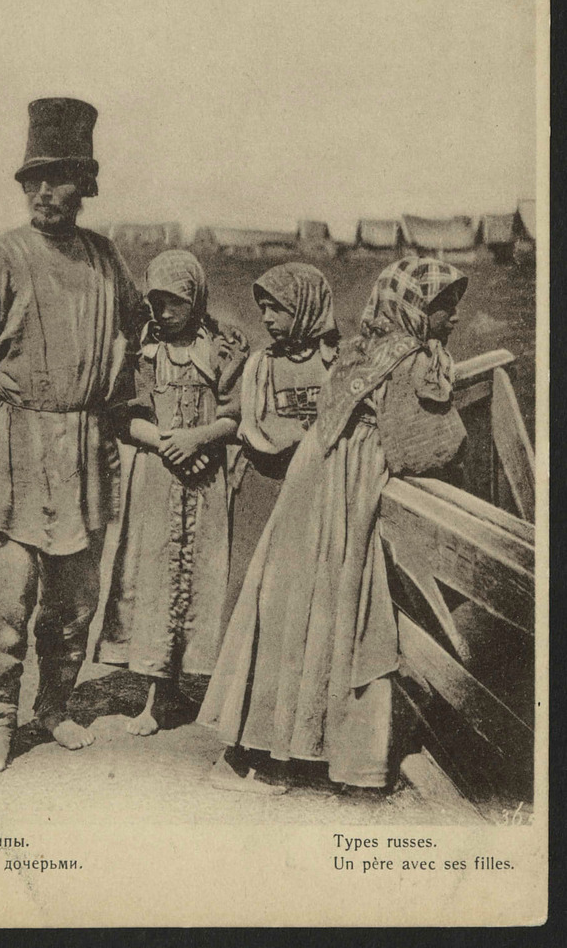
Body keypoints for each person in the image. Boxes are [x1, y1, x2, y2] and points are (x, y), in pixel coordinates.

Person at [198, 256, 468, 794]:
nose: (454, 317)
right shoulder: (410, 359)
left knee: (294, 605)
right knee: (340, 607)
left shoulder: (367, 346)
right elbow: (421, 446)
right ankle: (280, 755)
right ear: (414, 310)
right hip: (345, 484)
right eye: (444, 307)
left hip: (316, 475)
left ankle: (271, 748)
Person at [0, 97, 142, 772]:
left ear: (84, 185)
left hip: (87, 445)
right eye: (33, 179)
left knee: (75, 599)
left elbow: (144, 324)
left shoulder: (105, 258)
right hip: (19, 447)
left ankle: (53, 705)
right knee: (9, 595)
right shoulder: (1, 257)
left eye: (58, 178)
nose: (43, 191)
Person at [97, 250, 249, 735]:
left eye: (174, 302)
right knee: (154, 576)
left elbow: (234, 416)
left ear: (196, 299)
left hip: (204, 481)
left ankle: (175, 688)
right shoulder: (144, 350)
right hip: (156, 478)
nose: (162, 312)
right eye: (155, 302)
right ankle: (151, 696)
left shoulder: (222, 349)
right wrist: (169, 444)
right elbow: (125, 417)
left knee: (198, 578)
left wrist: (198, 440)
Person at [228, 263, 339, 615]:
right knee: (252, 576)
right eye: (263, 309)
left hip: (317, 485)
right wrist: (307, 434)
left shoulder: (336, 362)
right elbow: (257, 429)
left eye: (277, 308)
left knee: (309, 577)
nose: (266, 318)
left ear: (305, 307)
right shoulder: (261, 364)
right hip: (265, 482)